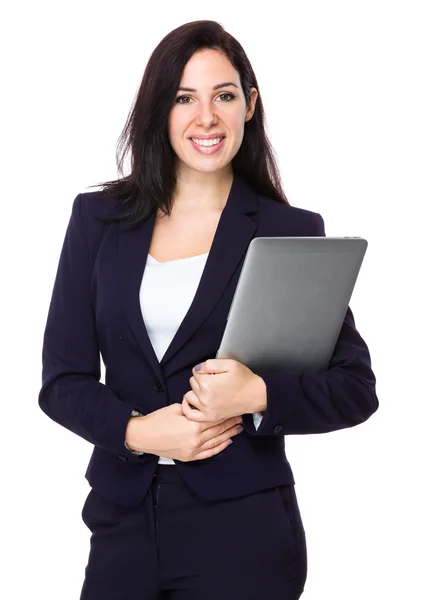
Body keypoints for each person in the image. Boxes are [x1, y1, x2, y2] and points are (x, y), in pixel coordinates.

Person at [38, 19, 379, 600]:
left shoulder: (288, 233)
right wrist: (139, 432)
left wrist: (256, 395)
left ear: (249, 104)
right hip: (123, 524)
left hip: (244, 531)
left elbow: (354, 388)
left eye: (223, 95)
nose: (206, 118)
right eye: (183, 98)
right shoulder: (97, 220)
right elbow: (62, 382)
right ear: (158, 110)